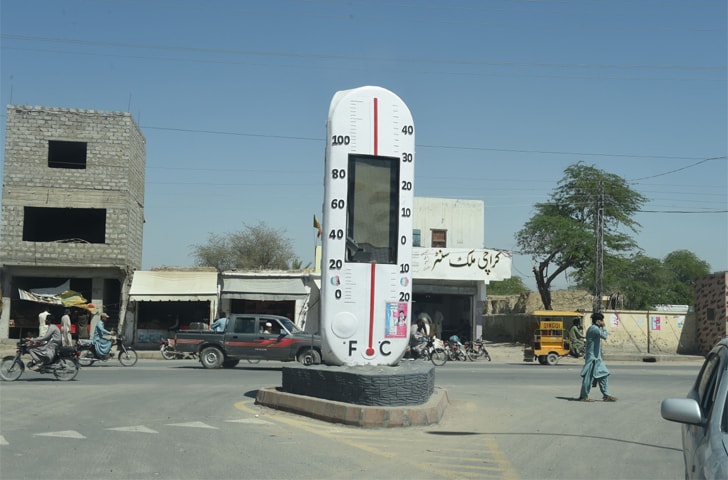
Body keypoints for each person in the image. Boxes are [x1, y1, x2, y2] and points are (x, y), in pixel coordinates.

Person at [578, 312, 617, 402]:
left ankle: (606, 395)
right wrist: (604, 327)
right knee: (589, 377)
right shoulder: (594, 329)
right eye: (602, 320)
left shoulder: (594, 328)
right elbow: (604, 336)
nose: (603, 322)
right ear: (598, 321)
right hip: (592, 358)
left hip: (597, 358)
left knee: (604, 374)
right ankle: (583, 396)